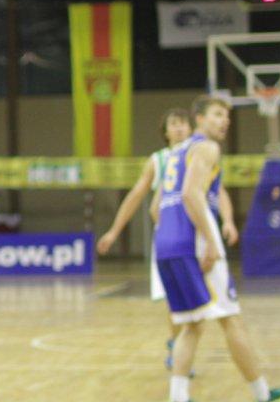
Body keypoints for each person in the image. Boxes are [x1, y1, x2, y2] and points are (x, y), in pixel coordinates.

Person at [155, 95, 280, 402]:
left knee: (192, 325)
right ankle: (264, 397)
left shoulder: (175, 153)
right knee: (231, 319)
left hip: (166, 243)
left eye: (227, 116)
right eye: (218, 114)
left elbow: (156, 207)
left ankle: (178, 401)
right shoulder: (206, 147)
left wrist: (173, 234)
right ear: (199, 119)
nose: (225, 121)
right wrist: (209, 240)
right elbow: (190, 193)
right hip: (194, 242)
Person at [96, 108, 238, 370]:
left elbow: (220, 191)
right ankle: (179, 354)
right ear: (165, 132)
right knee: (183, 306)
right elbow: (138, 197)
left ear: (191, 126)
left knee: (200, 311)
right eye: (174, 124)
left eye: (183, 123)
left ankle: (181, 362)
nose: (180, 128)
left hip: (194, 234)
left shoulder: (197, 151)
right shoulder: (160, 160)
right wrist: (115, 230)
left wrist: (228, 220)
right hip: (175, 237)